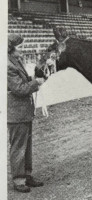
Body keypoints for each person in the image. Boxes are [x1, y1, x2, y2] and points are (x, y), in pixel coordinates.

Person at [7, 34, 45, 193]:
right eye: (18, 46)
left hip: (24, 111)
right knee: (18, 147)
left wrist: (39, 74)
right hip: (16, 112)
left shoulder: (15, 61)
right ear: (11, 48)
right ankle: (18, 180)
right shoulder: (8, 65)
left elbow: (26, 81)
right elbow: (19, 89)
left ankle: (27, 175)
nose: (20, 49)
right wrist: (36, 83)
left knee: (26, 147)